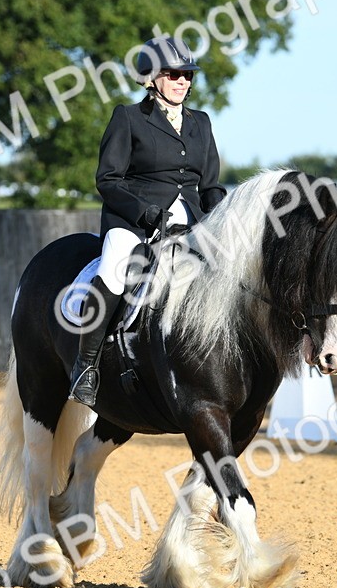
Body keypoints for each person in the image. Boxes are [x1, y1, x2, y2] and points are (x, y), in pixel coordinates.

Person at [69, 37, 228, 407]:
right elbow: (108, 179)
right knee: (112, 271)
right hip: (134, 223)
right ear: (151, 78)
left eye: (187, 75)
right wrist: (145, 212)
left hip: (190, 223)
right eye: (173, 75)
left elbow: (211, 185)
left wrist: (221, 220)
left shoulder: (200, 123)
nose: (183, 82)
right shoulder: (128, 117)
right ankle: (85, 366)